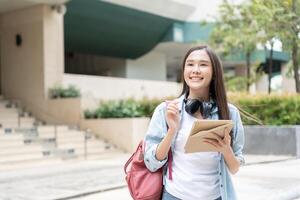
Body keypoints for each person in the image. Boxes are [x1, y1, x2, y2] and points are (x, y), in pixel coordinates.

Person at [144, 45, 245, 200]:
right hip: (174, 196)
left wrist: (226, 150)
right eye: (190, 64)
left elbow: (235, 168)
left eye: (203, 64)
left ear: (214, 73)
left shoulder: (230, 113)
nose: (195, 70)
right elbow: (151, 163)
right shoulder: (166, 111)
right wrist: (172, 131)